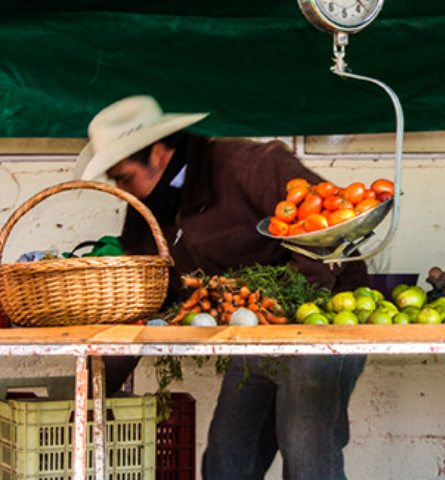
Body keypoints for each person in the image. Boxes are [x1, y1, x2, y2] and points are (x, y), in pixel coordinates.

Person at [74, 95, 369, 480]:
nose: (123, 190)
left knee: (307, 456)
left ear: (160, 155)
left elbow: (329, 230)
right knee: (227, 459)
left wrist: (291, 311)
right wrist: (91, 393)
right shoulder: (145, 213)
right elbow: (146, 300)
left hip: (321, 325)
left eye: (124, 177)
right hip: (253, 336)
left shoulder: (248, 164)